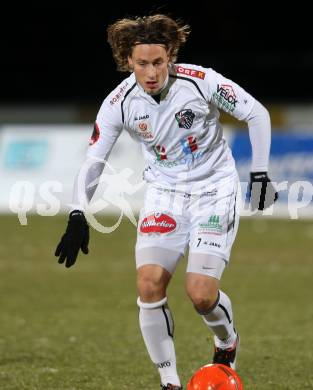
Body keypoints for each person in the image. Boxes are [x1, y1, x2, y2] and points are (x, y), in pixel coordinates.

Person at [54, 14, 278, 390]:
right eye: (142, 63)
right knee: (148, 284)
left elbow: (256, 113)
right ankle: (169, 382)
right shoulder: (119, 103)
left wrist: (259, 172)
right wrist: (78, 214)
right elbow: (94, 161)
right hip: (164, 194)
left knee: (201, 294)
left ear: (171, 55)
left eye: (158, 62)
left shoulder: (201, 81)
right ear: (128, 61)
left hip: (214, 189)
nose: (151, 71)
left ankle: (226, 341)